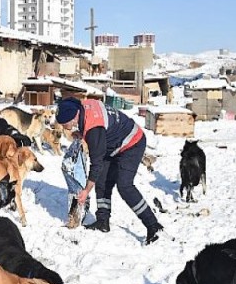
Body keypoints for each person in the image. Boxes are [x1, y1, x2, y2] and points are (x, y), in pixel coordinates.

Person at [55, 97, 165, 244]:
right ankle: (102, 221)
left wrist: (86, 191)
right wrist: (82, 134)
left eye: (64, 124)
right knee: (101, 181)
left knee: (125, 186)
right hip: (113, 144)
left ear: (73, 116)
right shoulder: (83, 107)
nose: (64, 127)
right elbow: (97, 131)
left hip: (132, 143)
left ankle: (153, 225)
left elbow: (96, 163)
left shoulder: (94, 129)